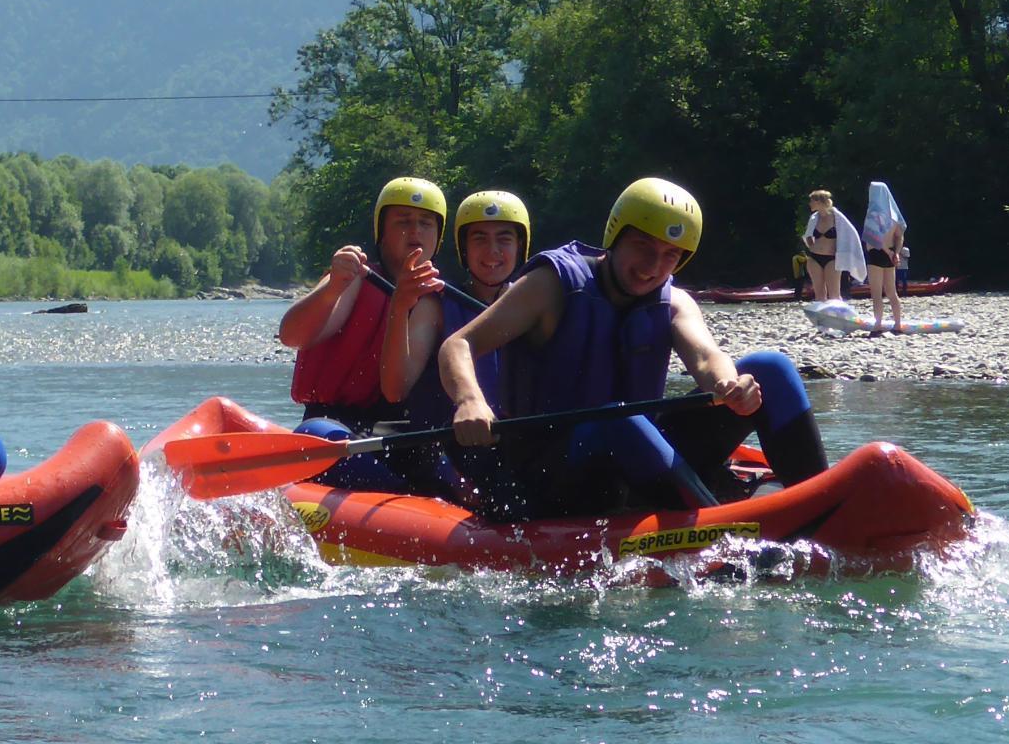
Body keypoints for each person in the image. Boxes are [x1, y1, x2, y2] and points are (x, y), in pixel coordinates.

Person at [437, 177, 830, 520]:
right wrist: (470, 400)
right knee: (619, 420)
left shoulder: (674, 301)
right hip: (548, 469)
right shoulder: (551, 285)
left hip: (636, 459)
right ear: (614, 237)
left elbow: (708, 358)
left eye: (669, 255)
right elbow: (459, 344)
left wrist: (730, 386)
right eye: (643, 246)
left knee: (770, 367)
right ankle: (724, 532)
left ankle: (822, 508)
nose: (653, 266)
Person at [275, 177, 493, 492]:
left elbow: (397, 388)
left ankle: (438, 502)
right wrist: (333, 286)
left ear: (438, 234)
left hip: (398, 433)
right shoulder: (351, 279)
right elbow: (291, 335)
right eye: (403, 222)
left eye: (425, 223)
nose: (415, 231)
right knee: (319, 434)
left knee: (441, 463)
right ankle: (398, 496)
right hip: (334, 425)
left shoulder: (435, 300)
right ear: (383, 232)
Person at [452, 189, 531, 305]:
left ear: (519, 247)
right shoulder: (439, 302)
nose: (492, 250)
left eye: (504, 239)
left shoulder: (538, 305)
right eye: (480, 239)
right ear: (464, 247)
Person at [863, 181, 908, 334]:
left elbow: (872, 237)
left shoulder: (874, 213)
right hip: (890, 252)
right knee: (891, 291)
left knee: (876, 292)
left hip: (876, 253)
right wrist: (895, 252)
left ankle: (878, 325)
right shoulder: (894, 216)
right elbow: (900, 236)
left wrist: (888, 252)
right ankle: (898, 324)